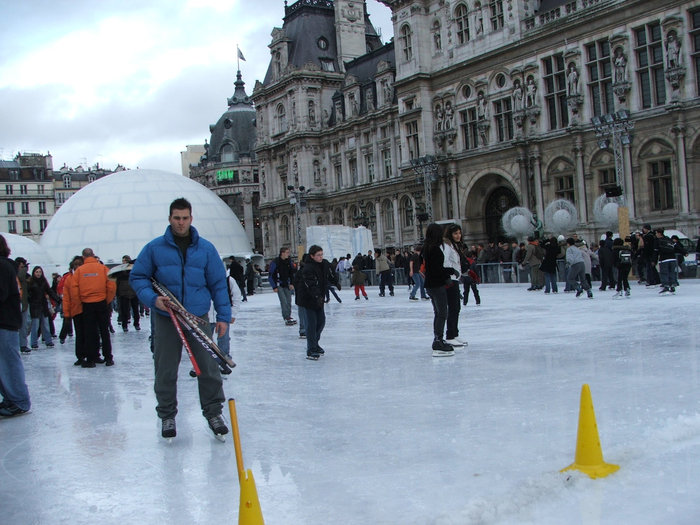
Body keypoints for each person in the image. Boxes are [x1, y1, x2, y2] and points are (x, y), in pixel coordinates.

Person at [129, 197, 231, 440]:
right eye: (177, 218)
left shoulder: (205, 249)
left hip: (197, 317)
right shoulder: (154, 248)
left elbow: (218, 284)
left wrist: (223, 316)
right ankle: (167, 415)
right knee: (165, 368)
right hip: (167, 317)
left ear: (191, 219)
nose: (181, 223)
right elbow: (138, 277)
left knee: (207, 367)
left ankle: (213, 411)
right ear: (169, 219)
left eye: (185, 218)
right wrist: (153, 300)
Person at [0, 234, 31, 417]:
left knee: (9, 363)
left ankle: (19, 400)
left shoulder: (3, 266)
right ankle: (11, 398)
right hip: (5, 321)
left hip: (5, 322)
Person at [72, 248, 115, 367]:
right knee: (104, 331)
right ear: (93, 255)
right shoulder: (103, 269)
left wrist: (80, 302)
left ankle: (90, 359)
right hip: (101, 302)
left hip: (87, 304)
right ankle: (108, 358)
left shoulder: (79, 271)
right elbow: (111, 286)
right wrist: (107, 300)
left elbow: (74, 289)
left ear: (83, 257)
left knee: (89, 332)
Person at [296, 245, 339, 360]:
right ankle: (311, 349)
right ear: (312, 256)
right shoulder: (308, 268)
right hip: (308, 299)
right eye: (318, 255)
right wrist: (316, 295)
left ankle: (315, 344)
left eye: (321, 254)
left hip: (319, 298)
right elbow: (310, 284)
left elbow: (330, 274)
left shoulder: (324, 264)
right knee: (311, 325)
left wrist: (336, 281)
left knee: (321, 322)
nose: (321, 257)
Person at [423, 224, 457, 357]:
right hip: (437, 285)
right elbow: (437, 270)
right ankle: (438, 340)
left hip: (431, 285)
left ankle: (438, 339)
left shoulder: (427, 248)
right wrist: (451, 271)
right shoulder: (435, 250)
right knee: (442, 313)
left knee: (439, 312)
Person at [61, 256, 88, 366]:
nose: (77, 266)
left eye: (79, 264)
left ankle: (91, 354)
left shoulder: (86, 277)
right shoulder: (69, 279)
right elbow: (66, 298)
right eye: (75, 264)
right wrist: (67, 313)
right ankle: (80, 356)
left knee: (89, 333)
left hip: (87, 309)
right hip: (76, 310)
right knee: (80, 334)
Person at [27, 265, 59, 349]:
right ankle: (34, 343)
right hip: (35, 307)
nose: (38, 274)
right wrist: (30, 300)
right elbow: (28, 293)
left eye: (40, 272)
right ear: (34, 273)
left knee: (46, 324)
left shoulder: (43, 281)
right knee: (35, 325)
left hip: (43, 305)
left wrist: (57, 299)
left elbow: (49, 291)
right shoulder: (31, 282)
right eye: (37, 272)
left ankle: (48, 341)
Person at [268, 247, 297, 325]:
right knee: (283, 301)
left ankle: (289, 315)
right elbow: (271, 275)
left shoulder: (289, 261)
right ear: (282, 253)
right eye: (287, 252)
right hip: (279, 284)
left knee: (289, 300)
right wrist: (274, 286)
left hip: (286, 284)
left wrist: (292, 283)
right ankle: (286, 317)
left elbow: (292, 273)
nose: (288, 254)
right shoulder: (275, 262)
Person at [116, 255, 140, 332]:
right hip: (125, 293)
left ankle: (135, 324)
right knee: (125, 311)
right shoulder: (120, 271)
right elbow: (117, 282)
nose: (124, 262)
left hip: (132, 292)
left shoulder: (131, 269)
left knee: (135, 310)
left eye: (125, 261)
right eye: (123, 261)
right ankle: (125, 325)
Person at [14, 257, 30, 353]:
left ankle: (23, 344)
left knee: (24, 325)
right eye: (21, 266)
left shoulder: (25, 275)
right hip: (16, 303)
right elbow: (19, 275)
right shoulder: (15, 274)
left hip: (23, 303)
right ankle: (19, 345)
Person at [654, 228, 677, 294]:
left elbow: (656, 251)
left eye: (656, 233)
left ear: (659, 233)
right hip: (672, 258)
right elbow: (676, 246)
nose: (656, 235)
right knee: (672, 272)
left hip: (664, 259)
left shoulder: (658, 241)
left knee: (664, 273)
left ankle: (666, 286)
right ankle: (672, 286)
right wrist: (684, 252)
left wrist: (654, 260)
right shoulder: (669, 239)